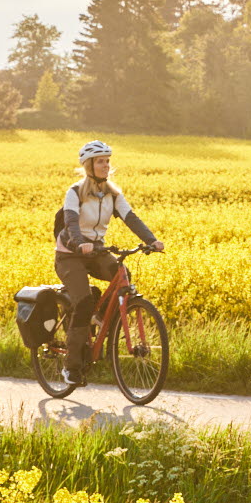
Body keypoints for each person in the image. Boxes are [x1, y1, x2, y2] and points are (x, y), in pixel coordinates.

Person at [54, 139, 163, 382]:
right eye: (100, 161)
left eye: (107, 161)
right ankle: (70, 367)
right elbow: (70, 222)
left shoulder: (113, 194)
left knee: (122, 276)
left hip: (95, 252)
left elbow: (131, 218)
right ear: (88, 165)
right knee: (82, 301)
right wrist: (78, 242)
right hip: (70, 254)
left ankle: (101, 317)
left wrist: (152, 240)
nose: (106, 165)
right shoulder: (75, 192)